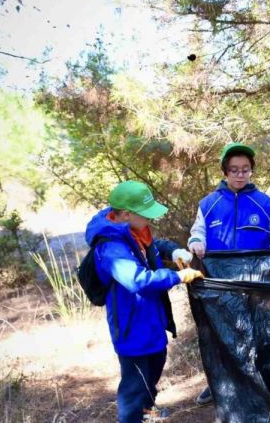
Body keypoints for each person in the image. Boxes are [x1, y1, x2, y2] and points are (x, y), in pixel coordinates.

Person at [84, 180, 203, 423]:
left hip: (151, 319)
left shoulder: (132, 230)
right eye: (146, 214)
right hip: (131, 326)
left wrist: (173, 251)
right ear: (126, 214)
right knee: (134, 386)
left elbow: (151, 247)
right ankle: (132, 418)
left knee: (155, 367)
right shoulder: (110, 247)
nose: (151, 219)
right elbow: (137, 279)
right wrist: (177, 276)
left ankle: (147, 412)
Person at [187, 142, 270, 405]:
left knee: (256, 333)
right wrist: (195, 242)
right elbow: (197, 231)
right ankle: (219, 383)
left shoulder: (263, 202)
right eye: (234, 170)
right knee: (222, 334)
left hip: (255, 282)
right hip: (219, 282)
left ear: (251, 171)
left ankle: (259, 386)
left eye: (245, 169)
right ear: (225, 172)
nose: (240, 175)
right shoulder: (208, 203)